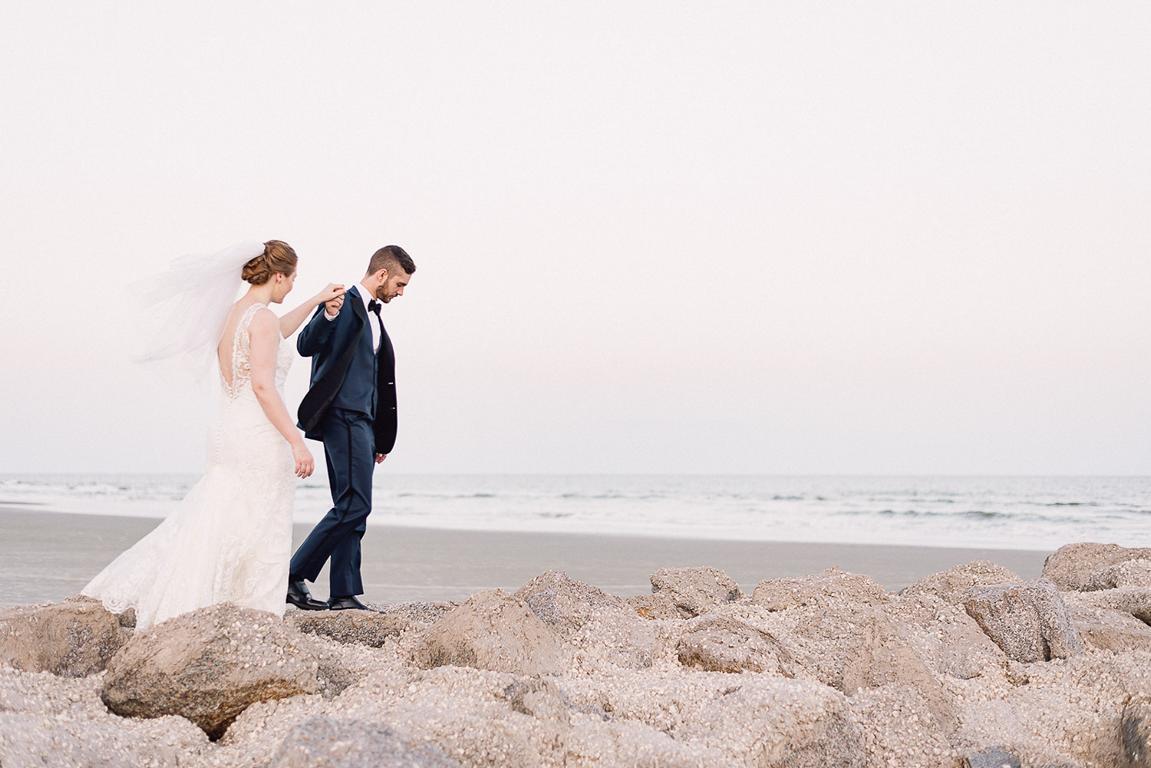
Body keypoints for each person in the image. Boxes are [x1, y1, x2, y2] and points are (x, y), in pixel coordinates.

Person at [83, 240, 344, 630]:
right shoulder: (261, 320)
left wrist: (314, 301)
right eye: (292, 280)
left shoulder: (233, 315)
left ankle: (204, 597)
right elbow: (263, 386)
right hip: (258, 433)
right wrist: (295, 440)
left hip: (228, 430)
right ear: (277, 276)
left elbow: (278, 331)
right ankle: (253, 612)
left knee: (220, 514)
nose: (291, 287)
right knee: (260, 521)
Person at [287, 245, 415, 611]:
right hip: (341, 415)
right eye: (400, 284)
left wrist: (380, 435)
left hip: (364, 422)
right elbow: (305, 344)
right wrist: (325, 315)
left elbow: (377, 380)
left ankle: (344, 592)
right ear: (381, 275)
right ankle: (293, 574)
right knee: (357, 504)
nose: (401, 292)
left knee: (349, 505)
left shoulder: (376, 316)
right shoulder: (340, 302)